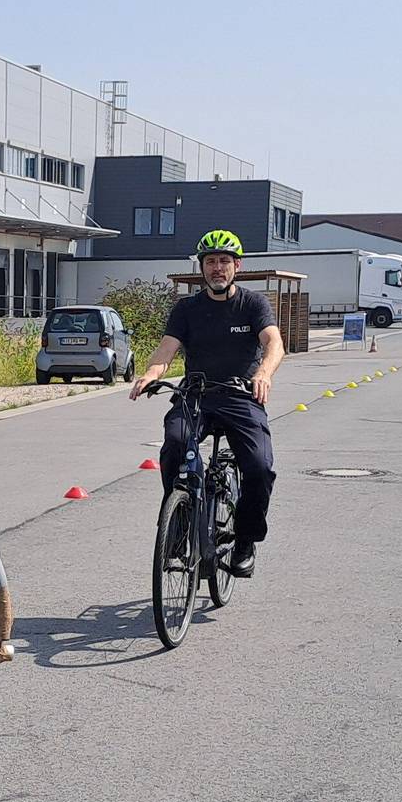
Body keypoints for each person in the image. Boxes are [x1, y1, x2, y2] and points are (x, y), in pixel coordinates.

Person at [129, 229, 283, 578]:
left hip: (242, 396)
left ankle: (245, 541)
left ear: (237, 267)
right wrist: (152, 373)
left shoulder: (252, 304)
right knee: (176, 444)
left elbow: (274, 343)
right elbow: (167, 349)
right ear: (202, 268)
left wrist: (264, 373)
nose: (217, 268)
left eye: (224, 261)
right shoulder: (187, 309)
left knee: (259, 468)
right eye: (210, 262)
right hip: (196, 395)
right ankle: (180, 523)